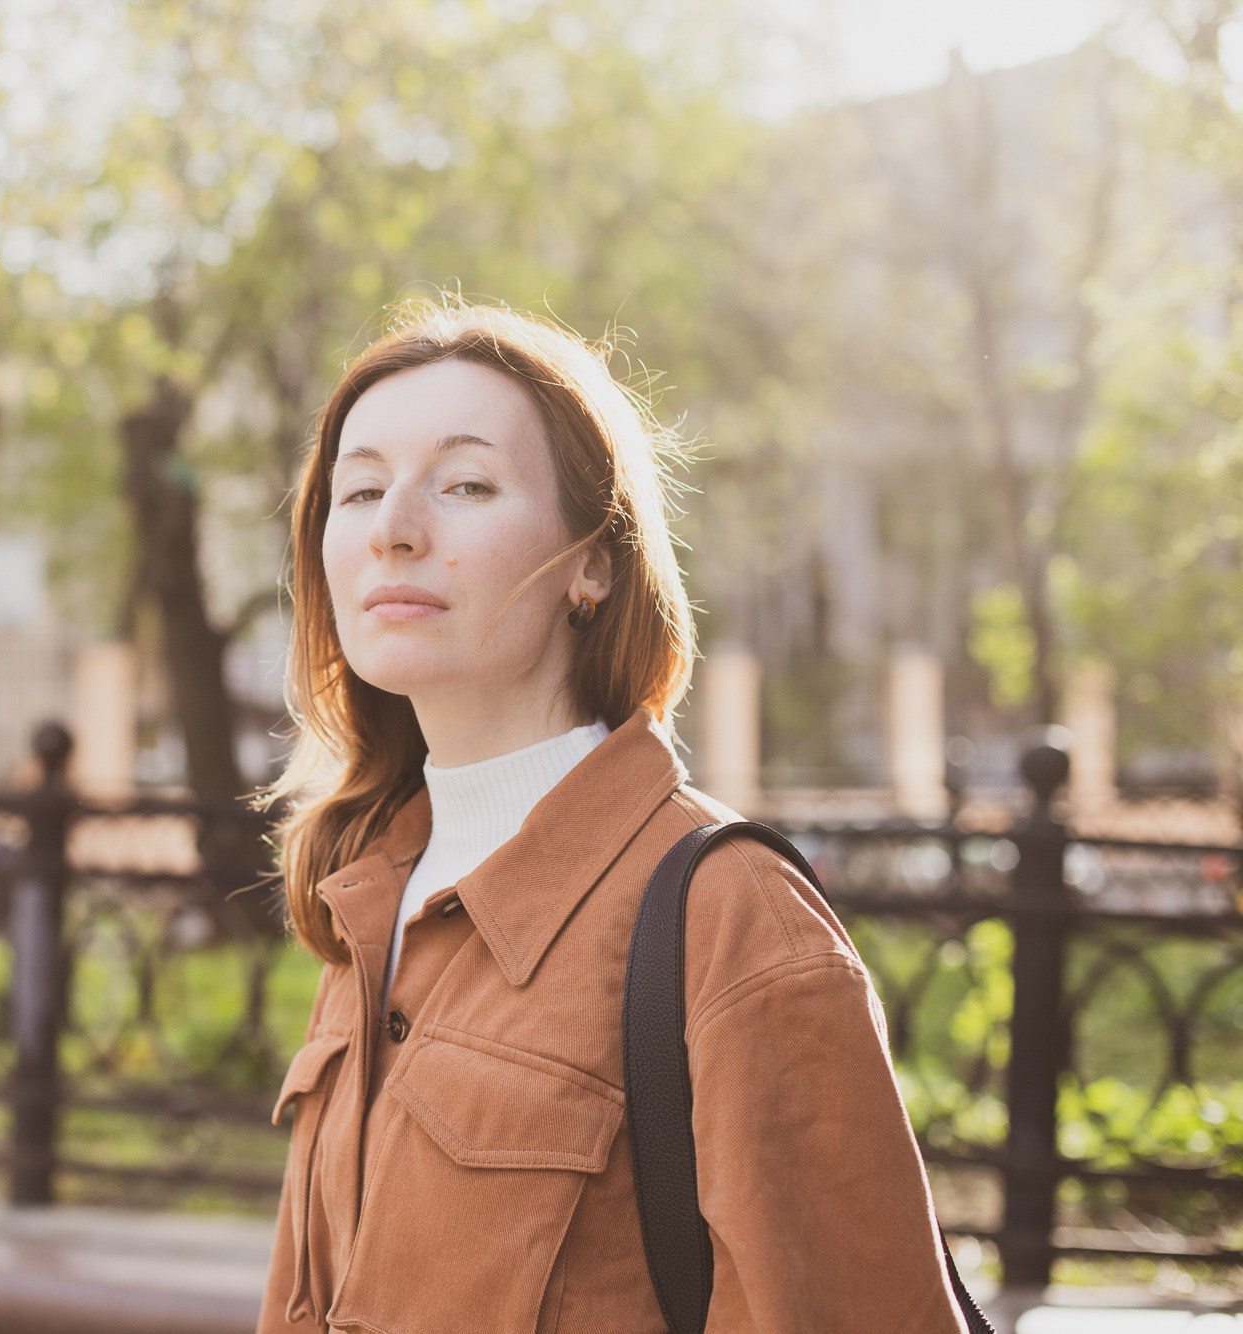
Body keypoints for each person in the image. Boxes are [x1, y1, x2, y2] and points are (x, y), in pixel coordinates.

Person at [252, 300, 973, 1333]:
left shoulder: (732, 919)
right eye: (359, 489)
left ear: (592, 561)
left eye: (465, 484)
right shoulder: (369, 892)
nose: (391, 528)